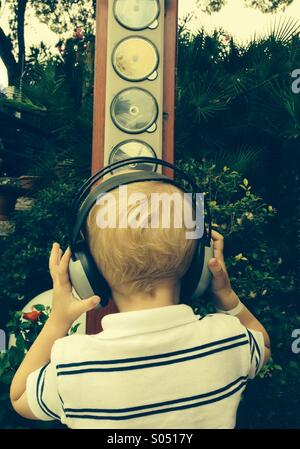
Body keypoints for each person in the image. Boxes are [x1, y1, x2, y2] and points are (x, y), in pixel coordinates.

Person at [10, 180, 271, 429]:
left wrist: (58, 320)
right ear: (200, 265)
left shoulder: (73, 364)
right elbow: (264, 343)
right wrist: (225, 293)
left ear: (88, 274)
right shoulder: (227, 339)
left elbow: (19, 396)